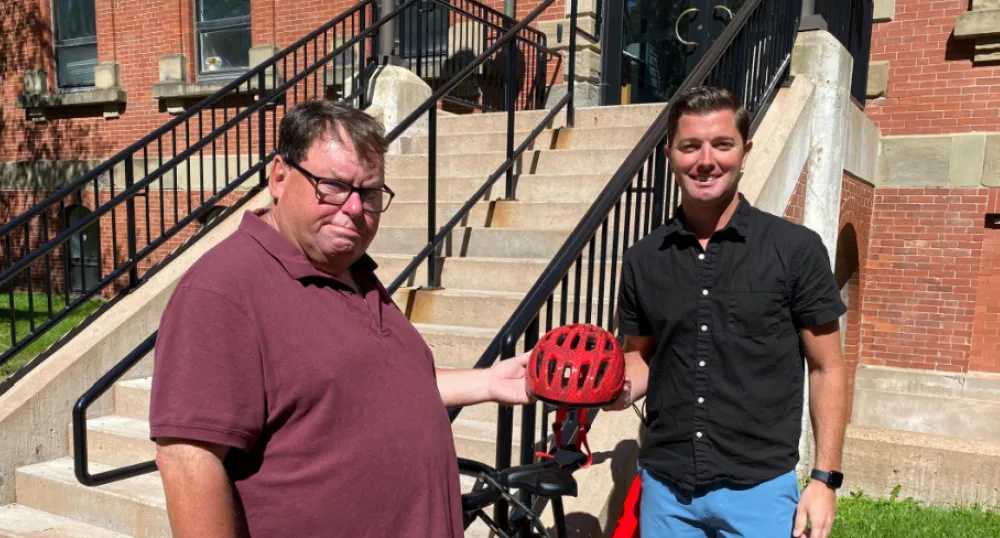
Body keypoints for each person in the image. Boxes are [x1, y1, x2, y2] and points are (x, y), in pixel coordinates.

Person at [148, 99, 532, 537]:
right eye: (332, 185)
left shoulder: (355, 272)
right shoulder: (224, 289)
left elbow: (380, 381)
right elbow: (188, 459)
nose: (353, 208)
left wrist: (487, 382)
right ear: (279, 177)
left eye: (369, 193)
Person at [603, 86, 849, 538]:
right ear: (669, 153)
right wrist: (615, 386)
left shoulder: (794, 250)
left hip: (760, 489)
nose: (706, 160)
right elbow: (643, 356)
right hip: (666, 488)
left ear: (745, 150)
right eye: (690, 146)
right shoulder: (643, 258)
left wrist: (824, 479)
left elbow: (827, 367)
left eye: (722, 144)